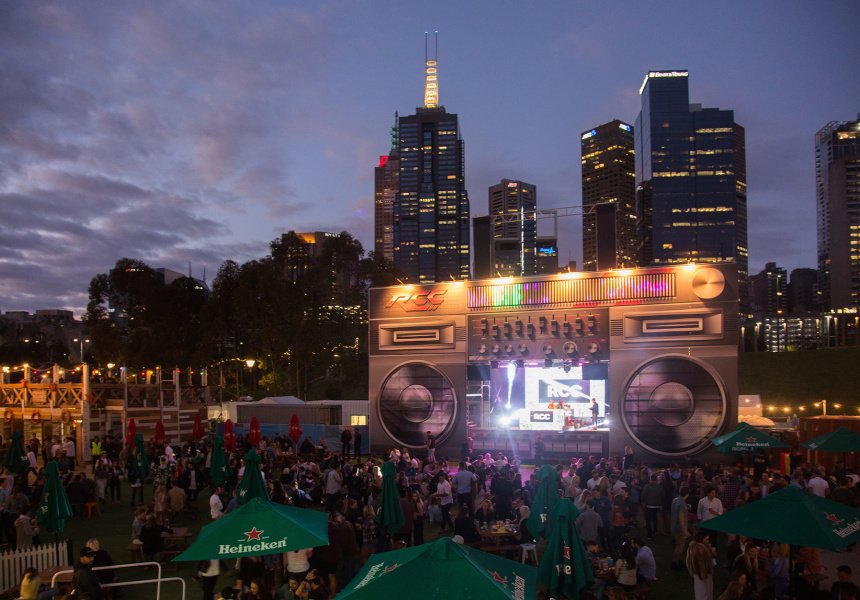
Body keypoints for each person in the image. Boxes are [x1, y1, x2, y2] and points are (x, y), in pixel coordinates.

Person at [686, 531, 714, 600]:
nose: (707, 541)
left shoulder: (699, 548)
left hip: (702, 574)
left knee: (705, 592)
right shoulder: (698, 549)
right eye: (706, 539)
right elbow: (701, 563)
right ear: (701, 539)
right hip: (701, 574)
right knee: (703, 593)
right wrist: (711, 554)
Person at [671, 486, 691, 571]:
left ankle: (680, 561)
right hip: (680, 528)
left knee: (680, 545)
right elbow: (681, 516)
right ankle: (675, 563)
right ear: (687, 494)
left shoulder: (675, 500)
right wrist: (685, 530)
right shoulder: (682, 503)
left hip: (674, 525)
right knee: (679, 546)